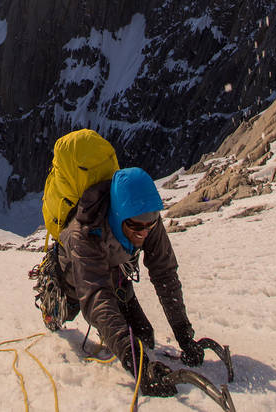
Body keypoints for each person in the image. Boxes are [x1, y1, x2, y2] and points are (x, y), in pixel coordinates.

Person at [57, 166, 204, 398]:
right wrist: (136, 364)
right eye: (136, 226)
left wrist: (184, 335)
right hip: (73, 278)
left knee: (144, 337)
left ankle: (116, 331)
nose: (144, 232)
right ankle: (53, 303)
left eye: (151, 223)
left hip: (114, 273)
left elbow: (164, 273)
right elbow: (96, 297)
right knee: (65, 312)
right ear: (118, 217)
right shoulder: (83, 233)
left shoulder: (145, 218)